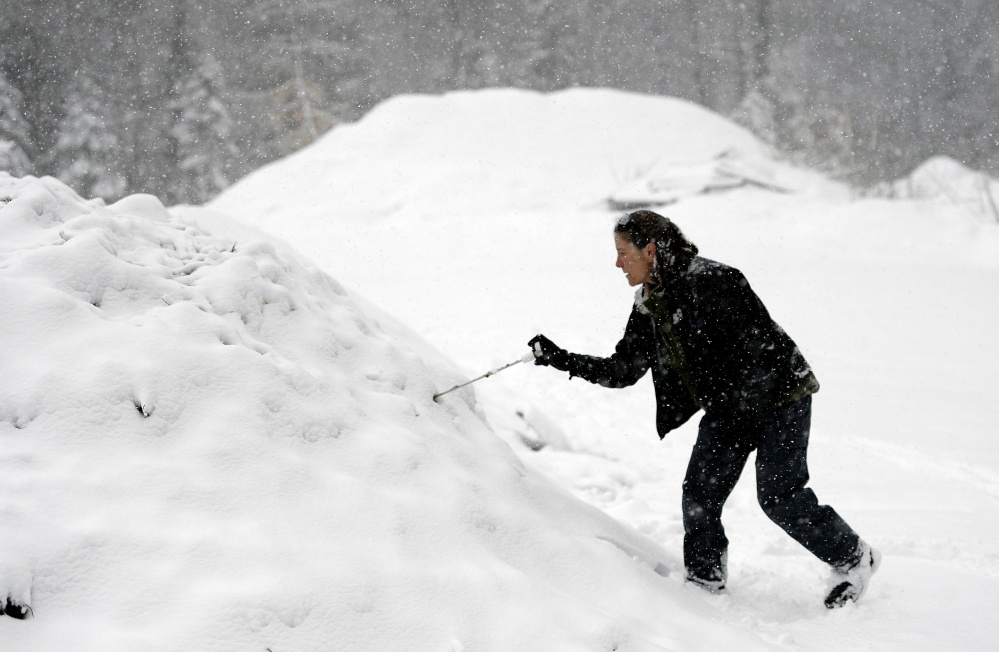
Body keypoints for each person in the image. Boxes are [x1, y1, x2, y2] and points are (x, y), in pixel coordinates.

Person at [528, 209, 879, 608]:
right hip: (730, 407)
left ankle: (855, 559)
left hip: (781, 395)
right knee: (699, 494)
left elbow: (759, 351)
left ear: (650, 250)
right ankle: (704, 585)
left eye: (623, 252)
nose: (617, 263)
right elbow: (624, 370)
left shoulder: (716, 281)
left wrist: (735, 409)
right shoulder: (648, 304)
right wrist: (561, 359)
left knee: (779, 496)